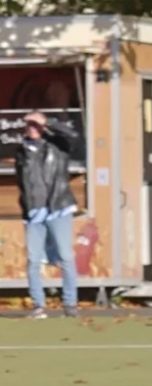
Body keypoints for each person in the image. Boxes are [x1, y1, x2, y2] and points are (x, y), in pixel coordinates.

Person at [15, 110, 80, 319]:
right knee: (34, 260)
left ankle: (70, 304)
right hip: (34, 212)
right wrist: (26, 207)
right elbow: (22, 182)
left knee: (65, 256)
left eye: (36, 125)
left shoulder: (56, 146)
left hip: (58, 207)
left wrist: (48, 121)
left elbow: (74, 137)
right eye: (29, 125)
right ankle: (38, 306)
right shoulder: (21, 151)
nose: (32, 129)